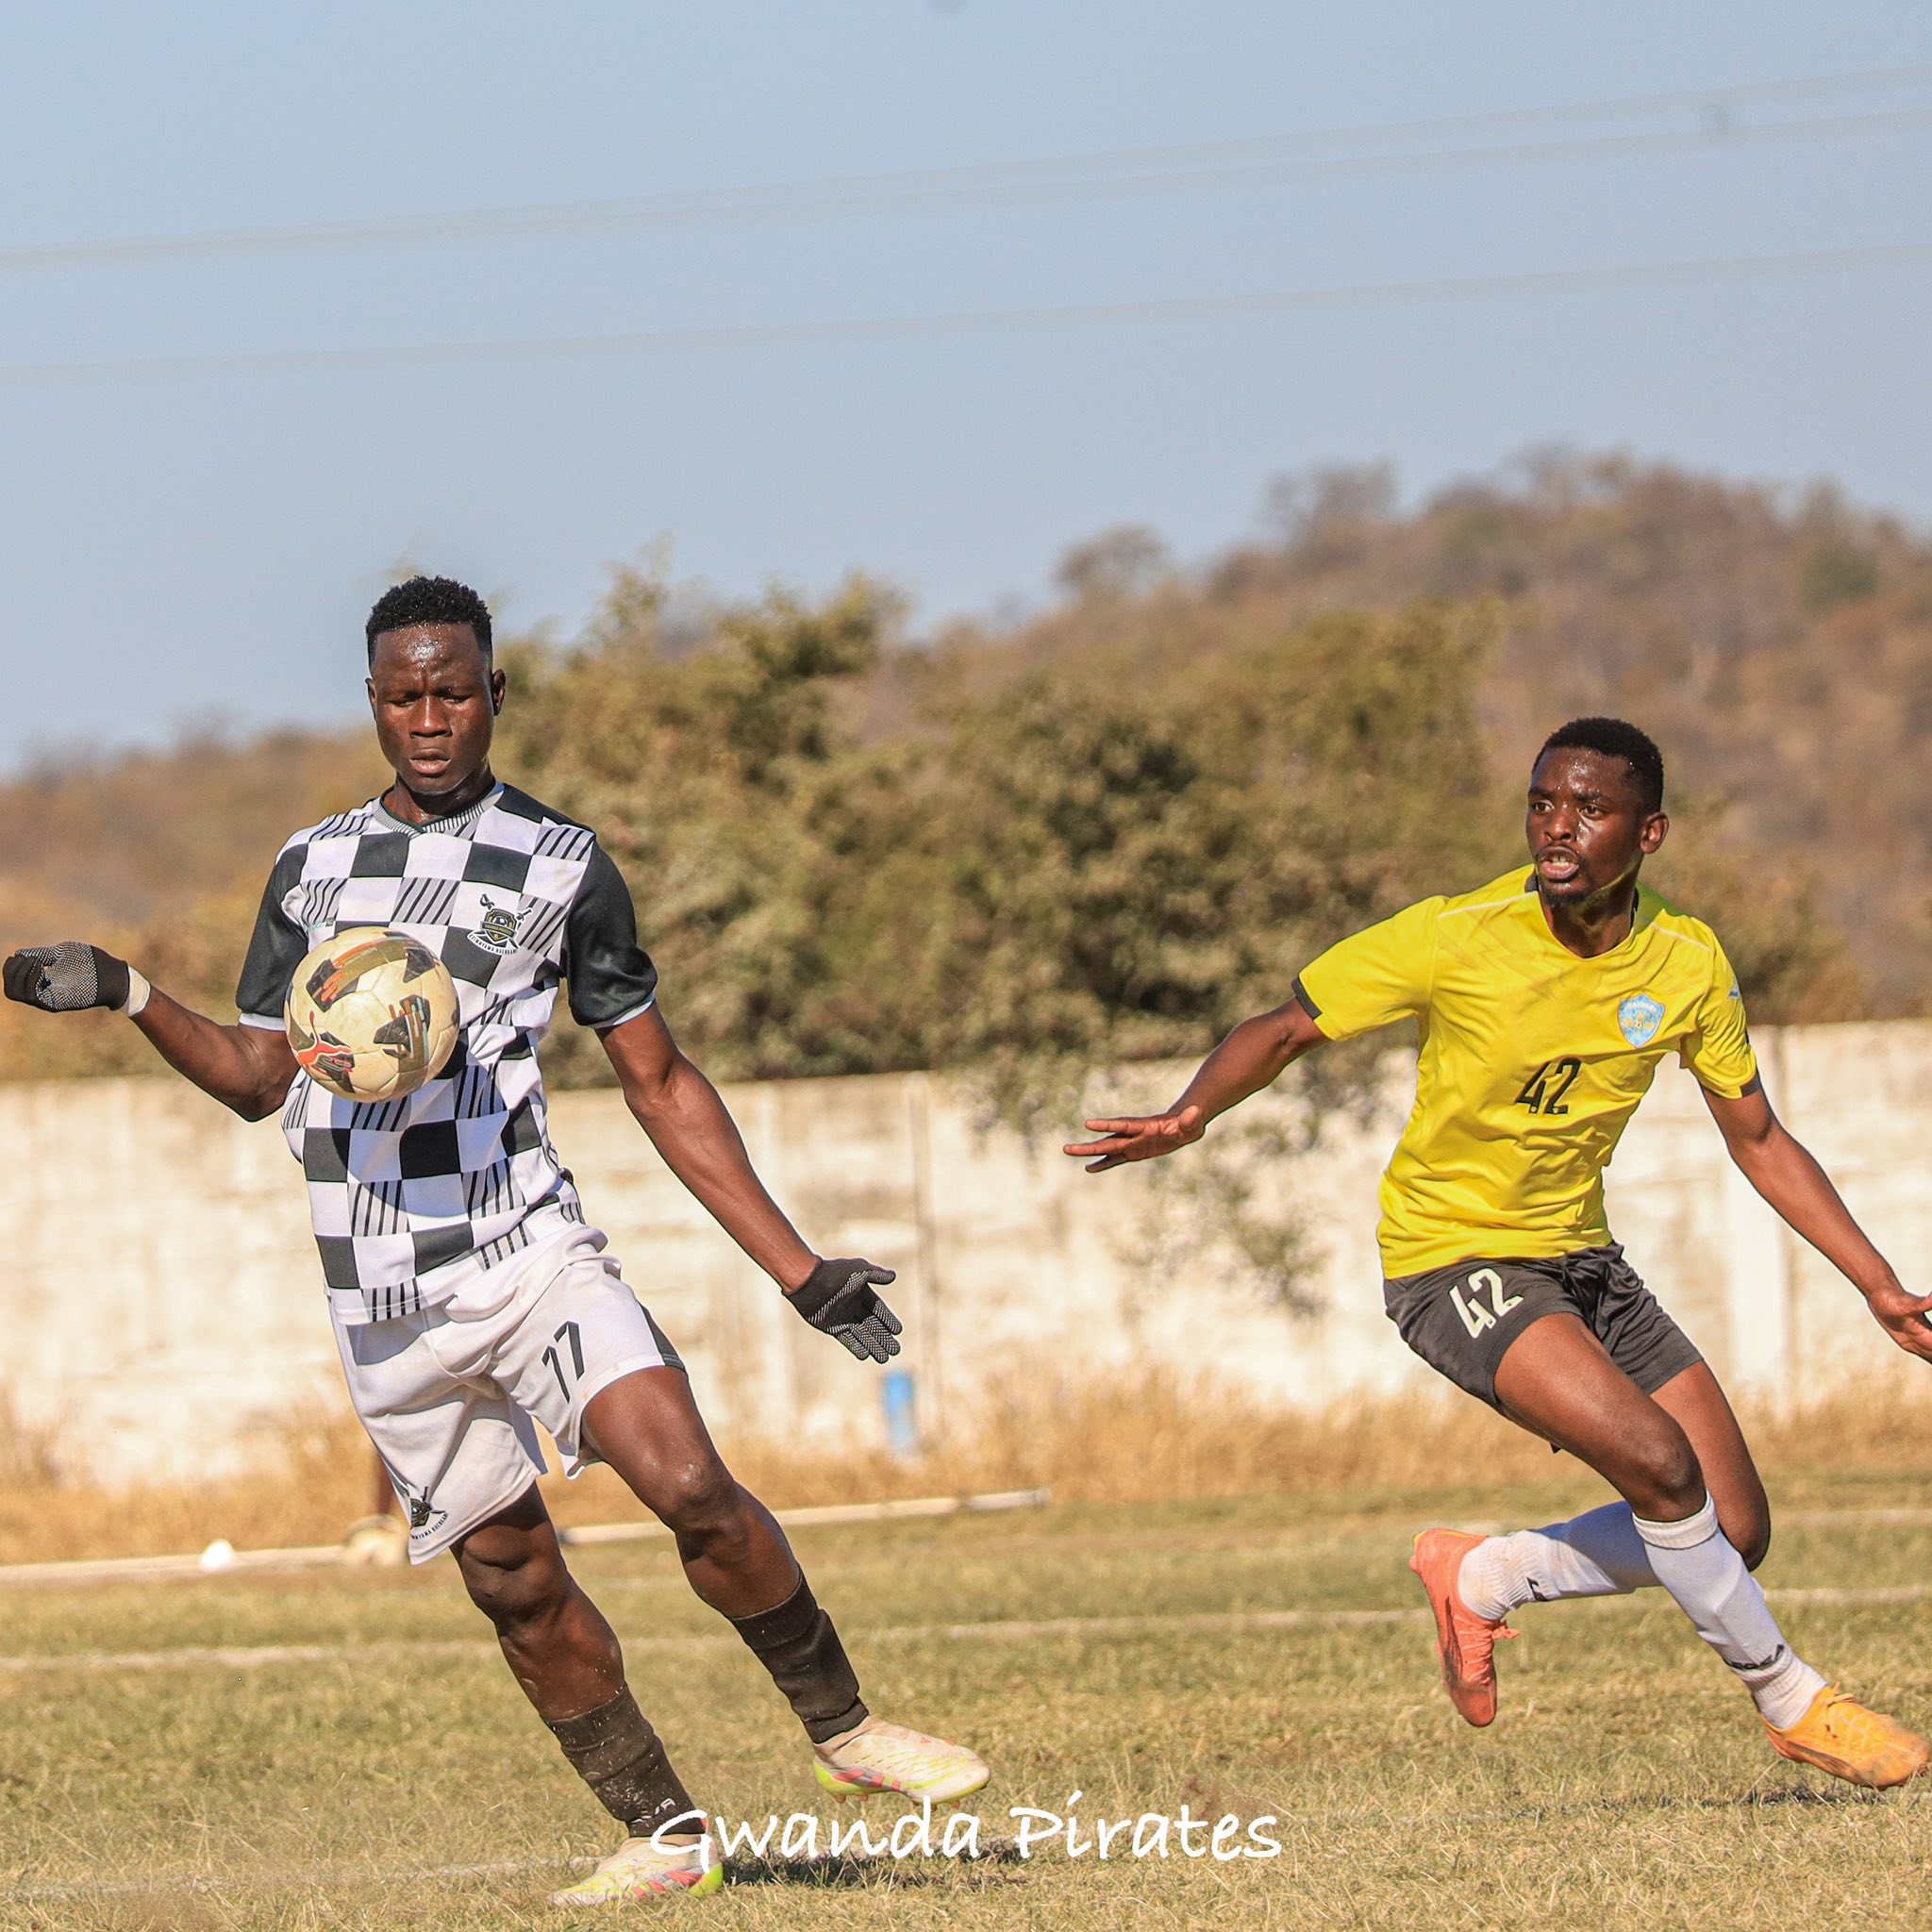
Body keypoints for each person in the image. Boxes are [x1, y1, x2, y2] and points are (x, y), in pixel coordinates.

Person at [4, 575, 988, 1904]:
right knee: (514, 1578)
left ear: (493, 693)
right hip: (381, 1291)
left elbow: (661, 1079)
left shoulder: (565, 866)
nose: (429, 716)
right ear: (372, 701)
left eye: (452, 690)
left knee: (688, 1478)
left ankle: (845, 1729)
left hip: (529, 1246)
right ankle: (665, 1837)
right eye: (404, 695)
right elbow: (257, 1075)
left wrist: (798, 1268)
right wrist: (127, 993)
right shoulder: (315, 868)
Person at [1064, 716, 1930, 1790]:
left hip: (1583, 1259)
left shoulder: (1686, 959)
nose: (1556, 828)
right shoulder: (1455, 932)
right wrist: (1189, 1111)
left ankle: (1483, 1571)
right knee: (1660, 1468)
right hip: (1450, 1259)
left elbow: (1754, 1135)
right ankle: (1793, 1701)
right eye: (1540, 804)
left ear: (1647, 831)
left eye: (1588, 809)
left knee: (1733, 1524)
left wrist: (1875, 1282)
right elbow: (1284, 1023)